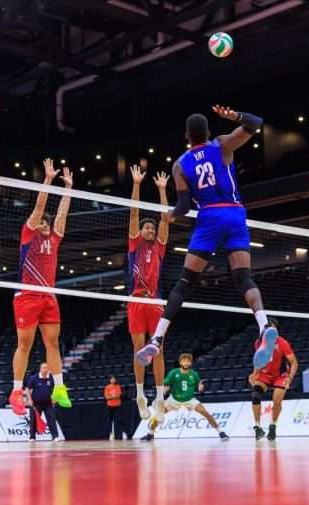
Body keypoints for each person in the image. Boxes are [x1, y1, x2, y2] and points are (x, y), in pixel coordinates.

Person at [135, 105, 279, 370]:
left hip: (209, 218)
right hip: (235, 214)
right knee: (244, 277)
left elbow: (184, 205)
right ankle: (263, 326)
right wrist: (234, 116)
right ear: (208, 131)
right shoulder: (222, 145)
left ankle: (156, 338)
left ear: (187, 136)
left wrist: (170, 216)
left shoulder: (180, 165)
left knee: (185, 281)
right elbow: (256, 121)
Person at [9, 159, 73, 415]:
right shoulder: (28, 235)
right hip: (27, 295)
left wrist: (67, 188)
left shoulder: (55, 238)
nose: (44, 226)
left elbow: (62, 215)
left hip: (49, 296)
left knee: (53, 343)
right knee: (24, 343)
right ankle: (15, 392)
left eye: (46, 224)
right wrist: (48, 181)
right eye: (41, 223)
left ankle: (59, 387)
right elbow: (39, 208)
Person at [127, 165, 170, 420]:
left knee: (158, 350)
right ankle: (140, 395)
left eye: (152, 230)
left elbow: (165, 218)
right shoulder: (135, 244)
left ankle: (160, 398)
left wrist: (163, 191)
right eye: (147, 229)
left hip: (154, 301)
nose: (151, 231)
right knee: (139, 348)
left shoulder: (160, 248)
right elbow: (133, 213)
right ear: (141, 232)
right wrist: (136, 184)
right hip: (135, 300)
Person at [141, 353, 230, 441]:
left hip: (189, 400)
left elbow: (199, 387)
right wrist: (165, 389)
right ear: (180, 362)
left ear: (191, 363)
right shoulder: (174, 372)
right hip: (174, 399)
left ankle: (221, 432)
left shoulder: (194, 374)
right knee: (158, 414)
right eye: (184, 361)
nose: (186, 363)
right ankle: (150, 433)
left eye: (188, 361)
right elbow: (167, 384)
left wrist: (200, 388)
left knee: (205, 413)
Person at [248, 319, 298, 441]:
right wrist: (254, 374)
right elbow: (259, 361)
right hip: (265, 374)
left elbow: (294, 362)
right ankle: (257, 427)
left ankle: (272, 425)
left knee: (277, 400)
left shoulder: (282, 343)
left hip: (280, 375)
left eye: (273, 328)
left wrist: (290, 378)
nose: (270, 330)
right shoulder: (259, 342)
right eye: (268, 328)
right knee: (255, 394)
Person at [25, 362, 63, 442]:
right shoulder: (34, 378)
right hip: (36, 403)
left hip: (48, 404)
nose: (45, 369)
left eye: (46, 368)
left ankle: (55, 436)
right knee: (33, 420)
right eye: (43, 368)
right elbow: (27, 389)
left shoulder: (51, 378)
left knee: (52, 419)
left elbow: (56, 388)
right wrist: (29, 400)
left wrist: (55, 398)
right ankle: (32, 437)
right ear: (40, 369)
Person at [104, 375, 124, 440]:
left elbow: (118, 396)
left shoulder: (118, 386)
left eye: (114, 379)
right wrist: (113, 397)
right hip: (110, 406)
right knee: (109, 421)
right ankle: (110, 434)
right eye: (112, 379)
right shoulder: (107, 387)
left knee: (118, 420)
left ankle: (118, 435)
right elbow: (107, 397)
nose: (113, 380)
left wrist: (111, 397)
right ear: (110, 380)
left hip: (117, 405)